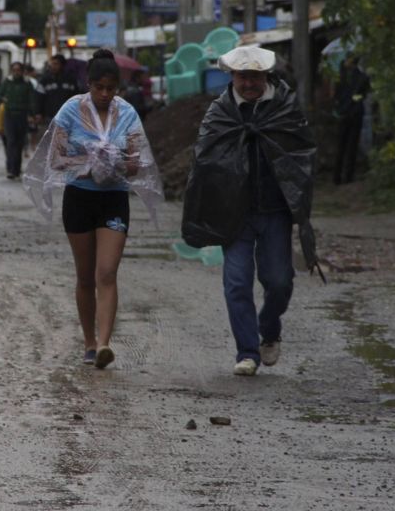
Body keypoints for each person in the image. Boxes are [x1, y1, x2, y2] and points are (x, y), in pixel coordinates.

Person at [181, 45, 321, 377]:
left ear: (265, 76)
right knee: (237, 282)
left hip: (275, 211)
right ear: (232, 77)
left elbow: (302, 155)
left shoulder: (285, 108)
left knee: (279, 281)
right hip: (236, 213)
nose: (248, 84)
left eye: (254, 77)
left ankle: (268, 329)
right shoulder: (220, 113)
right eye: (243, 77)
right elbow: (204, 160)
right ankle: (247, 352)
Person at [23, 49, 163, 369]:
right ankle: (88, 341)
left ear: (118, 88)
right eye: (98, 88)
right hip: (79, 197)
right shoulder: (71, 110)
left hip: (113, 198)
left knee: (107, 272)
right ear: (88, 84)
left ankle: (104, 344)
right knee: (86, 277)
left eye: (110, 89)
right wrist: (88, 160)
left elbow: (139, 163)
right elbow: (55, 159)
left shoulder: (126, 113)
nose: (104, 95)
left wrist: (115, 161)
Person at [334, 54, 371, 185]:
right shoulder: (361, 77)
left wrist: (342, 106)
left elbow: (338, 96)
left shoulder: (343, 77)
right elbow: (362, 95)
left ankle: (339, 176)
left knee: (343, 145)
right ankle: (345, 176)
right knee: (350, 146)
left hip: (347, 113)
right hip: (353, 113)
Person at [0, 62, 35, 180]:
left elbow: (32, 100)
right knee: (10, 141)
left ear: (22, 71)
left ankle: (16, 169)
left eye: (19, 70)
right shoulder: (7, 82)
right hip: (10, 115)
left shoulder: (27, 84)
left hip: (22, 116)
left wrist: (32, 114)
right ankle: (10, 169)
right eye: (14, 70)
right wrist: (4, 99)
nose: (16, 72)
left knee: (19, 143)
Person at [36, 54, 81, 128]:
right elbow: (38, 98)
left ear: (62, 65)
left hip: (68, 117)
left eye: (56, 64)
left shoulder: (71, 80)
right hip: (49, 118)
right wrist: (38, 113)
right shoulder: (45, 80)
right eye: (52, 64)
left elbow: (77, 98)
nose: (53, 66)